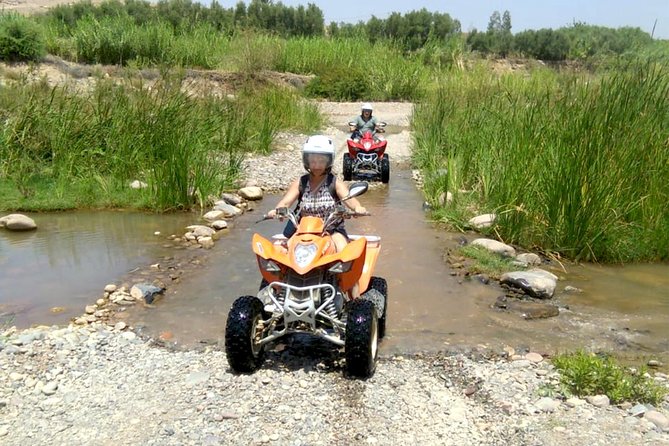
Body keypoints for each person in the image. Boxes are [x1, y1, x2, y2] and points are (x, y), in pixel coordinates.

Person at [266, 135, 367, 256]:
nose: (317, 165)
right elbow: (286, 202)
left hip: (331, 230)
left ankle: (339, 275)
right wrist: (277, 211)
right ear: (307, 161)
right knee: (286, 251)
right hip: (304, 231)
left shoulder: (334, 182)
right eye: (313, 161)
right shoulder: (301, 182)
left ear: (328, 161)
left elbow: (350, 199)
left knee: (342, 250)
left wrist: (357, 208)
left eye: (321, 161)